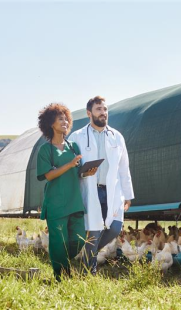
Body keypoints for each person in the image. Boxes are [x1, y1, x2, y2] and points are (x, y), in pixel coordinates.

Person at [69, 96, 134, 275]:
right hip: (91, 189)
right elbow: (71, 166)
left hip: (112, 190)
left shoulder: (117, 137)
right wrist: (82, 172)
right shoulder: (77, 137)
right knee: (94, 230)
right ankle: (89, 270)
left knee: (114, 228)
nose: (103, 113)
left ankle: (87, 256)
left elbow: (123, 168)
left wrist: (128, 196)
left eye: (105, 109)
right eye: (99, 109)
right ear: (89, 113)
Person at [36, 103, 96, 280]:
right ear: (50, 123)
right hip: (56, 203)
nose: (64, 121)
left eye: (66, 119)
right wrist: (69, 164)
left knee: (78, 240)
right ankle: (62, 277)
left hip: (74, 201)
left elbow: (77, 173)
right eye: (59, 118)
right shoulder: (45, 150)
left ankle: (60, 260)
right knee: (59, 242)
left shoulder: (73, 147)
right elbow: (49, 175)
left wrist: (86, 172)